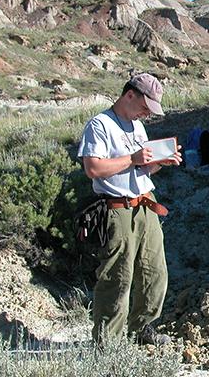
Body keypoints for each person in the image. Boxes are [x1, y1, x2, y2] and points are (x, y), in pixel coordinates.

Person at [77, 73, 182, 344]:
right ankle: (107, 342)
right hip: (117, 209)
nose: (147, 114)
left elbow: (140, 169)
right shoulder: (100, 125)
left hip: (145, 205)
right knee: (117, 277)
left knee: (154, 272)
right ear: (130, 94)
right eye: (145, 107)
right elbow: (93, 168)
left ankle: (142, 329)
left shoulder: (137, 127)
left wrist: (161, 163)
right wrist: (132, 158)